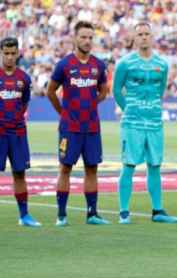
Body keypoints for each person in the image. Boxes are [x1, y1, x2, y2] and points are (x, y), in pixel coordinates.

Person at [113, 22, 177, 224]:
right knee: (129, 165)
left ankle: (157, 210)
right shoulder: (125, 63)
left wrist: (151, 109)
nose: (143, 37)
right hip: (132, 123)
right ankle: (124, 211)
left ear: (152, 37)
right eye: (140, 34)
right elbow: (116, 90)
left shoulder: (162, 64)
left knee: (155, 165)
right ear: (134, 37)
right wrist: (130, 109)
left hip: (154, 122)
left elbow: (160, 91)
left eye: (146, 34)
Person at [47, 21, 110, 226]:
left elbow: (103, 91)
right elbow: (50, 91)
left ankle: (92, 214)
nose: (87, 41)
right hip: (70, 127)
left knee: (92, 169)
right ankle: (62, 215)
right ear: (75, 38)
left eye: (90, 37)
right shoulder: (64, 65)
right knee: (65, 169)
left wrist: (92, 103)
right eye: (83, 37)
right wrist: (63, 112)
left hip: (91, 127)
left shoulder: (98, 65)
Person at [0, 37, 41, 227]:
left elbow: (25, 102)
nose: (10, 57)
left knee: (19, 173)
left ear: (18, 53)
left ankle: (24, 215)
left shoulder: (24, 79)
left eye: (13, 53)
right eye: (6, 53)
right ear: (0, 53)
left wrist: (15, 121)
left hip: (18, 133)